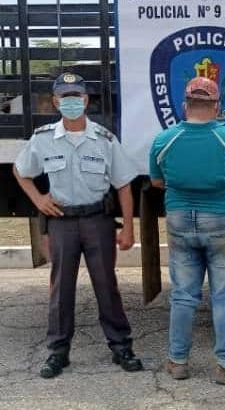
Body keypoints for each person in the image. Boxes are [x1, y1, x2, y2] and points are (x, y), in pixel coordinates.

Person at [13, 72, 143, 378]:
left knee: (106, 285)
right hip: (62, 222)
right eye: (65, 97)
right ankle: (58, 352)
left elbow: (123, 185)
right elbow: (21, 171)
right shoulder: (43, 138)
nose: (71, 102)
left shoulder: (104, 139)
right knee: (61, 288)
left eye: (76, 96)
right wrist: (38, 199)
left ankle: (121, 346)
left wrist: (128, 227)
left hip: (98, 221)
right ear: (55, 101)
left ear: (85, 100)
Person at [149, 76, 225, 384]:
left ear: (185, 106)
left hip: (179, 220)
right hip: (222, 220)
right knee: (224, 297)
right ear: (216, 106)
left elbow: (157, 180)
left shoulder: (164, 139)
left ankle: (177, 362)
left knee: (183, 295)